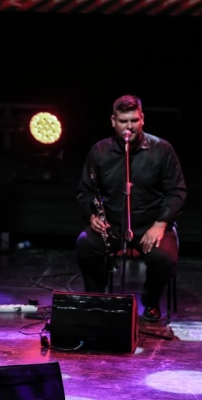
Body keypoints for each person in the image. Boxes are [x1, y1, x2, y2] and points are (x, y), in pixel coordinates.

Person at [75, 94, 186, 322]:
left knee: (163, 258)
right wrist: (92, 215)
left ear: (142, 119)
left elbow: (177, 192)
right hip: (113, 224)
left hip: (151, 224)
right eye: (124, 121)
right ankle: (96, 300)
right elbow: (85, 191)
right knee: (85, 244)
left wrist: (160, 224)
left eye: (134, 120)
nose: (129, 127)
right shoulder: (99, 151)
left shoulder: (162, 150)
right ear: (113, 121)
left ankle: (151, 302)